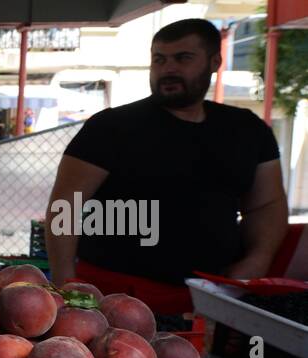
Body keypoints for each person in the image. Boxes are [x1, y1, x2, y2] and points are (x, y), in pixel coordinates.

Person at [44, 18, 288, 313]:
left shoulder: (248, 130)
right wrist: (64, 283)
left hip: (216, 294)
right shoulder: (111, 127)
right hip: (117, 295)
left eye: (183, 58)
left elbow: (267, 204)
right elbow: (65, 205)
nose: (168, 68)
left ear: (214, 62)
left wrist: (257, 259)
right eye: (159, 59)